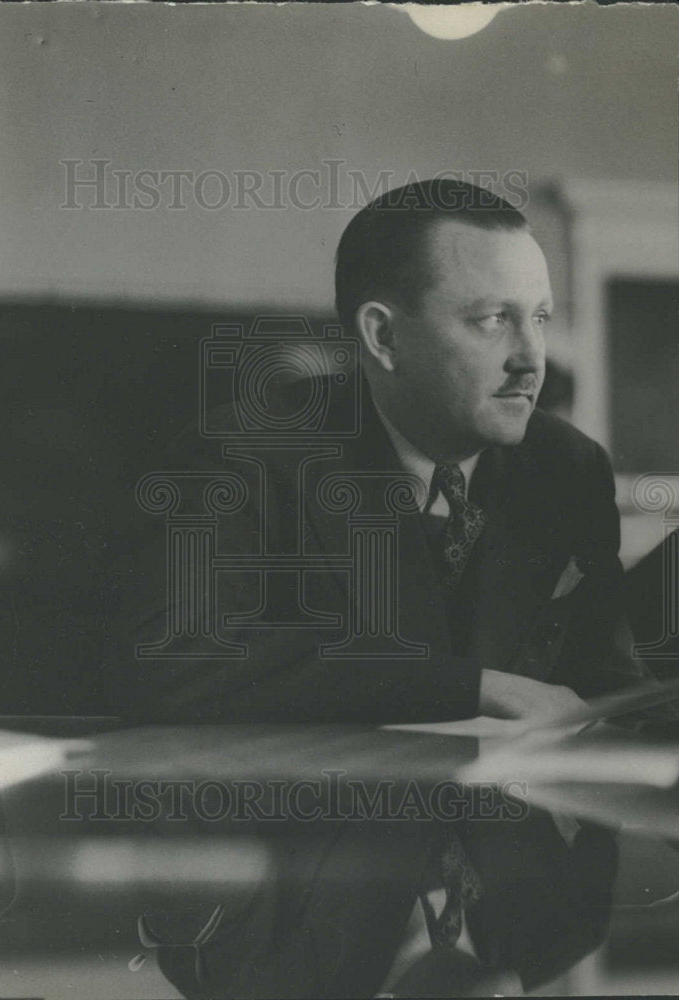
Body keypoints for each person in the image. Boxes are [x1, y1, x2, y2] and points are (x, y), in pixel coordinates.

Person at [103, 180, 650, 996]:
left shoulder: (564, 468)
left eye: (538, 317)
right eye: (492, 319)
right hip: (289, 859)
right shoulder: (241, 454)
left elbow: (602, 679)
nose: (531, 358)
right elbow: (167, 661)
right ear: (382, 336)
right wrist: (468, 685)